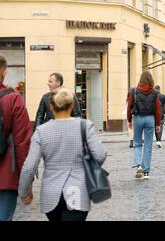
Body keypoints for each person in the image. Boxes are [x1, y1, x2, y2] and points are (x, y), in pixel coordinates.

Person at [18, 88, 107, 221]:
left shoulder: (41, 131)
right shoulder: (85, 126)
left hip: (51, 192)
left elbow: (29, 166)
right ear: (72, 105)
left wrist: (24, 191)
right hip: (78, 190)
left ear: (51, 107)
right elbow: (100, 155)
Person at [0, 56, 33, 221]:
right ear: (4, 73)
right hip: (5, 176)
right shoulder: (13, 99)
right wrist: (26, 183)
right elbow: (23, 144)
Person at [127, 71, 161, 179]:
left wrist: (129, 120)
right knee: (148, 145)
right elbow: (158, 110)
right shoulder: (155, 92)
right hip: (150, 119)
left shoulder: (135, 91)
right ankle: (146, 172)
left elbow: (129, 106)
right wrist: (158, 124)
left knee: (137, 142)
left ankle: (138, 165)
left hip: (138, 118)